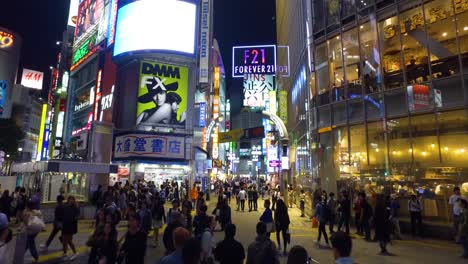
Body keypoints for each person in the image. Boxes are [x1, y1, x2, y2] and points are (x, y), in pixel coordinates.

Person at [62, 195, 80, 260]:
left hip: (71, 226)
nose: (71, 200)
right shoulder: (65, 206)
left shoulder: (76, 207)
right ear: (68, 200)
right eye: (70, 199)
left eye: (72, 199)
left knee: (68, 240)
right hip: (65, 225)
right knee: (64, 240)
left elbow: (78, 216)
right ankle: (65, 253)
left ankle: (75, 252)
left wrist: (75, 218)